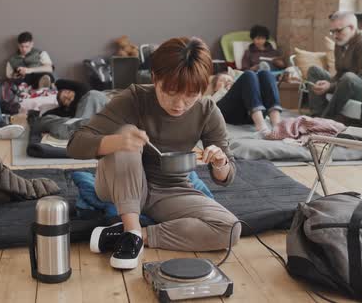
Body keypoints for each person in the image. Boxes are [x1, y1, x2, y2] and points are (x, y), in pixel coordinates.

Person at [67, 37, 241, 270]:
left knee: (230, 229)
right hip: (119, 184)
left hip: (170, 191)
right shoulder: (134, 98)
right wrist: (117, 141)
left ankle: (136, 236)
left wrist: (220, 161)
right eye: (170, 92)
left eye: (191, 94)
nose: (179, 104)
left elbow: (226, 178)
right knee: (127, 134)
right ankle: (130, 229)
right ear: (155, 78)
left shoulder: (207, 110)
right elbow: (76, 143)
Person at [308, 11, 362, 119]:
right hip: (347, 84)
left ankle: (326, 119)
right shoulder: (340, 42)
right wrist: (328, 83)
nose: (335, 36)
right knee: (314, 71)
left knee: (349, 78)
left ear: (351, 27)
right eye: (332, 31)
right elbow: (340, 73)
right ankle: (316, 116)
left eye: (339, 31)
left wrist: (330, 86)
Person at [206, 71, 282, 134]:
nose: (226, 81)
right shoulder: (212, 97)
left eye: (229, 79)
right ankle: (261, 127)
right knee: (248, 74)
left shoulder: (242, 88)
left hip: (249, 113)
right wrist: (222, 90)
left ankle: (277, 125)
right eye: (222, 80)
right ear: (215, 88)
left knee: (266, 74)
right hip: (230, 115)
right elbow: (211, 108)